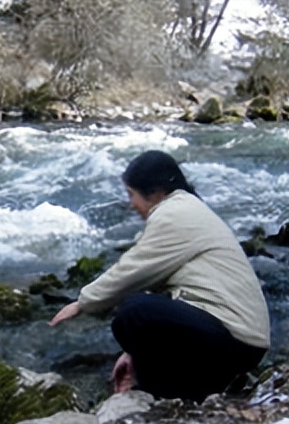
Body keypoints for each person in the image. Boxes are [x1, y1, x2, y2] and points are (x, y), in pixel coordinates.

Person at [49, 150, 270, 402]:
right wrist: (132, 352)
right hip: (239, 338)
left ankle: (165, 395)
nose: (131, 204)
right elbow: (160, 289)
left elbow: (132, 269)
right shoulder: (187, 208)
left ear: (154, 193)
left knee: (133, 312)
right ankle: (192, 389)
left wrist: (82, 302)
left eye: (131, 194)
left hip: (236, 340)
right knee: (143, 310)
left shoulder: (175, 214)